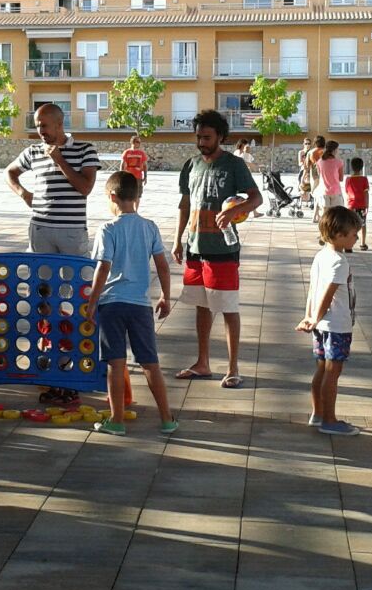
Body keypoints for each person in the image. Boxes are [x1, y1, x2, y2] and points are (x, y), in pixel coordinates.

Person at [172, 109, 261, 389]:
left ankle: (233, 367)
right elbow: (185, 204)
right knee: (201, 306)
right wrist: (177, 240)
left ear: (220, 137)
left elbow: (256, 198)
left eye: (207, 137)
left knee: (227, 308)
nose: (201, 142)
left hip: (223, 249)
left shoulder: (234, 165)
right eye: (198, 137)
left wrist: (238, 210)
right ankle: (203, 362)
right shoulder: (191, 165)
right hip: (195, 247)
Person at [88, 171, 176, 437]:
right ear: (138, 196)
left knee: (116, 364)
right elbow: (162, 265)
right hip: (140, 305)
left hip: (112, 304)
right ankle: (167, 419)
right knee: (151, 363)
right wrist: (165, 296)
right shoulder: (149, 227)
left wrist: (92, 302)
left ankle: (116, 421)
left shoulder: (108, 229)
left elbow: (103, 268)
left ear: (112, 197)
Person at [297, 206, 361, 435]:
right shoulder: (339, 262)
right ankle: (330, 420)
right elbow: (328, 293)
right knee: (333, 372)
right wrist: (314, 317)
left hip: (321, 324)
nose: (356, 237)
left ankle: (318, 413)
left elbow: (313, 289)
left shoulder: (321, 256)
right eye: (353, 234)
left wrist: (310, 316)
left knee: (322, 369)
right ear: (338, 235)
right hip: (336, 326)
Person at [5, 104, 100, 258]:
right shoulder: (32, 151)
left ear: (59, 124)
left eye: (44, 125)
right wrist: (24, 194)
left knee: (77, 279)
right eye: (37, 126)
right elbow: (9, 172)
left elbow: (85, 188)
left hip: (72, 230)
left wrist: (59, 160)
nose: (40, 131)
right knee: (41, 280)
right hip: (40, 228)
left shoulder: (85, 150)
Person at [314, 140, 345, 229]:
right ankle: (334, 234)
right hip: (336, 191)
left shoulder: (319, 162)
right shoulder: (339, 162)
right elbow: (341, 179)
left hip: (323, 191)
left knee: (325, 215)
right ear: (334, 150)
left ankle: (323, 233)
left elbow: (320, 176)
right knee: (337, 216)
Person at [344, 156, 370, 251]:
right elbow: (366, 193)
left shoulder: (348, 179)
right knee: (363, 224)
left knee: (350, 225)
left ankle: (348, 246)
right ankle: (363, 243)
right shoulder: (364, 179)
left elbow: (346, 191)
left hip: (351, 205)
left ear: (351, 167)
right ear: (362, 167)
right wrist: (367, 206)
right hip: (362, 205)